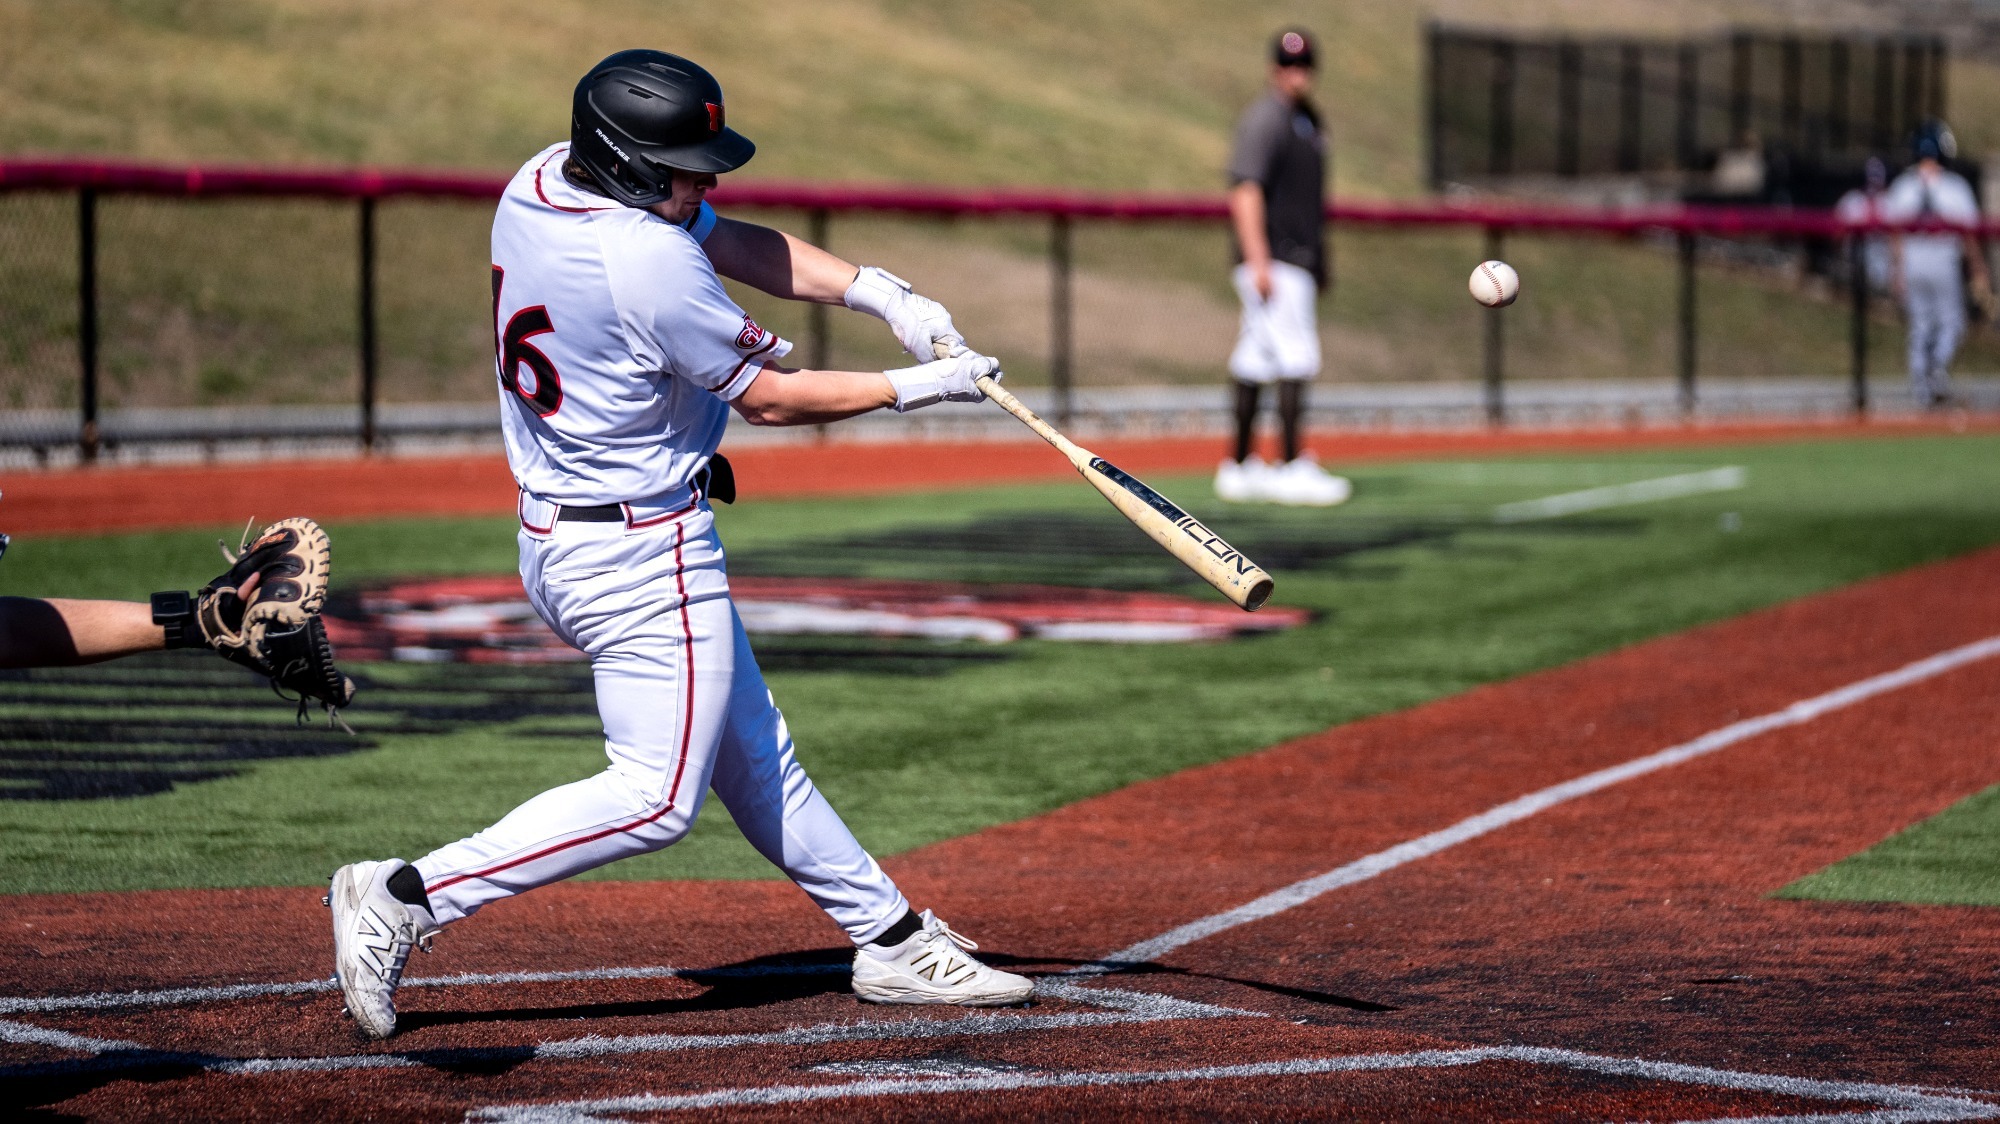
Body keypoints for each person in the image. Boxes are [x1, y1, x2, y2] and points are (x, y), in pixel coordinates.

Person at [325, 49, 1034, 1041]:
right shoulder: (643, 262)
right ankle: (407, 892)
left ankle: (890, 936)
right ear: (624, 164)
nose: (706, 181)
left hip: (564, 534)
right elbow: (775, 399)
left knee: (754, 754)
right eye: (686, 166)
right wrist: (919, 387)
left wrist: (880, 292)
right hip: (641, 552)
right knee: (656, 799)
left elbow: (723, 234)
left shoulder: (536, 182)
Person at [1214, 28, 1351, 507]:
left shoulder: (1306, 120)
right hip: (1275, 258)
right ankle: (1291, 465)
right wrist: (1257, 260)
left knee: (1255, 357)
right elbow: (1245, 189)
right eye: (1290, 64)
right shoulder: (1267, 119)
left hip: (1295, 257)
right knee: (1296, 355)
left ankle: (1239, 466)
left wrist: (1321, 262)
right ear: (1275, 68)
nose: (1298, 72)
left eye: (1305, 64)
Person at [1882, 119, 1992, 408]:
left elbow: (1892, 233)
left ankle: (1922, 391)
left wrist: (1896, 270)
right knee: (1951, 323)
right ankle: (1937, 370)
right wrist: (1978, 267)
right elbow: (1968, 236)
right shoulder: (1954, 187)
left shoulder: (1903, 185)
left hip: (1912, 263)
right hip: (1942, 263)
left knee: (1920, 326)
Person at [1834, 157, 1891, 294]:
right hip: (1852, 263)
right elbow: (1835, 236)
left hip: (1883, 265)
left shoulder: (1890, 202)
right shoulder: (1851, 200)